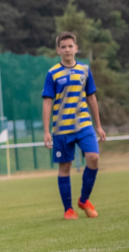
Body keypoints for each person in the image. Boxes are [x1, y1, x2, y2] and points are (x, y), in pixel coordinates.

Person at [42, 32, 105, 220]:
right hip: (62, 128)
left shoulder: (85, 70)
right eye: (63, 47)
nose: (67, 49)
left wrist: (98, 125)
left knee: (93, 157)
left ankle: (84, 200)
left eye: (70, 46)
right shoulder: (52, 73)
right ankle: (68, 209)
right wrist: (46, 131)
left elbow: (91, 97)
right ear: (58, 50)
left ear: (76, 48)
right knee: (65, 168)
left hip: (84, 125)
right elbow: (47, 103)